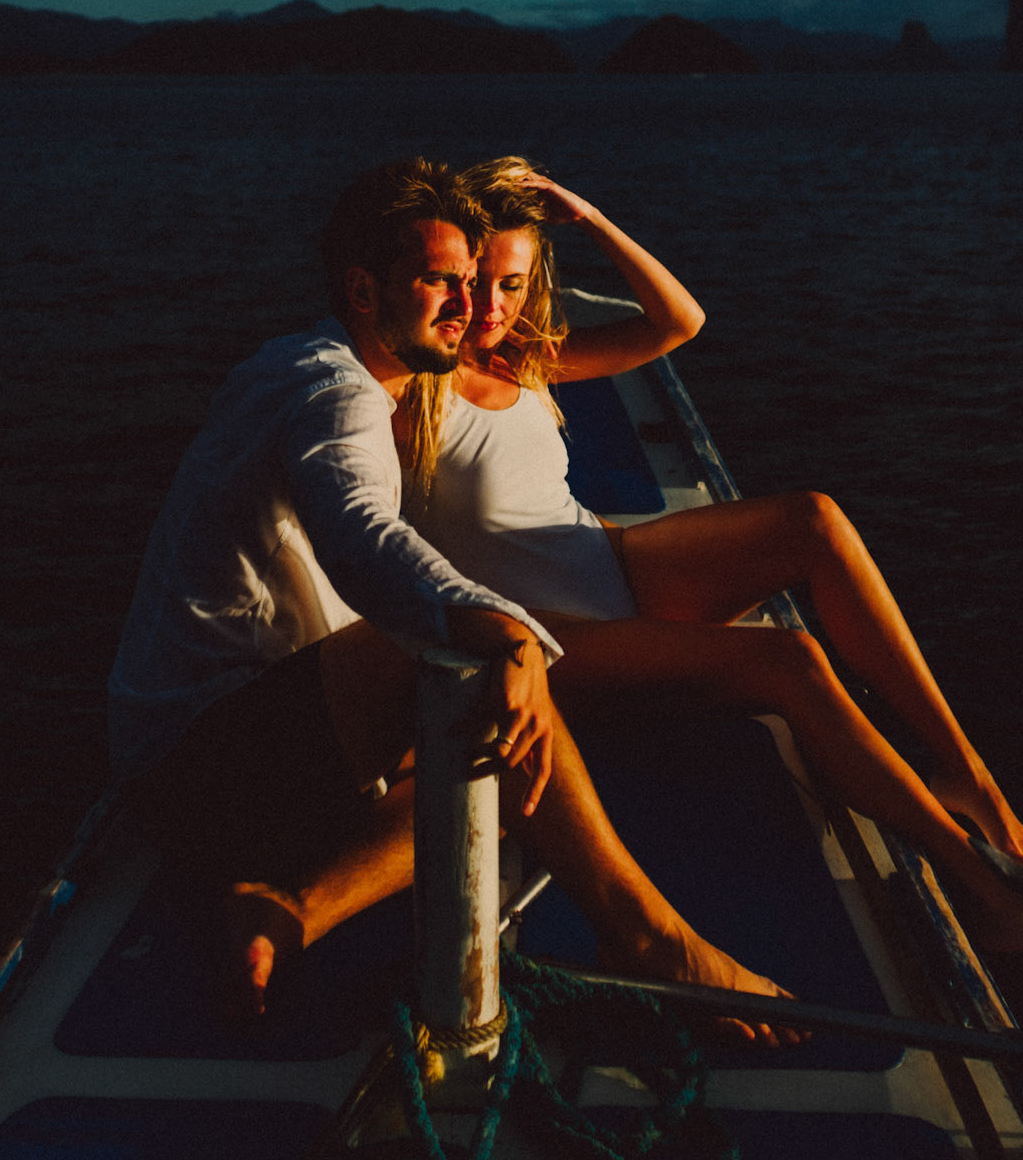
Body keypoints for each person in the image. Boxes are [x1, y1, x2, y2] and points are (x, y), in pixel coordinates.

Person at [399, 158, 1023, 964]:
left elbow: (678, 322)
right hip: (551, 640)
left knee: (814, 520)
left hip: (603, 565)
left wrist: (585, 216)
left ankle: (967, 772)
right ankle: (990, 893)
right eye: (477, 282)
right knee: (789, 658)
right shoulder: (407, 382)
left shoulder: (523, 358)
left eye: (513, 285)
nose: (492, 307)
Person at [107, 158, 800, 1037]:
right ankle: (650, 936)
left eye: (471, 283)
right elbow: (360, 532)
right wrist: (507, 633)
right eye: (439, 282)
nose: (469, 307)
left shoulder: (298, 361)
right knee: (478, 668)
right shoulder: (336, 395)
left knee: (508, 766)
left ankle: (289, 906)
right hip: (201, 767)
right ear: (364, 290)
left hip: (237, 762)